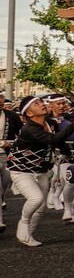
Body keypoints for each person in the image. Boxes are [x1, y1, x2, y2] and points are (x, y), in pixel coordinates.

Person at [7, 96, 74, 246]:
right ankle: (23, 223)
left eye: (41, 102)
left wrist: (68, 155)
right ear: (29, 114)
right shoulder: (29, 129)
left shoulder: (51, 123)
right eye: (36, 104)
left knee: (41, 207)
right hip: (21, 170)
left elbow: (59, 141)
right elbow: (52, 140)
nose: (42, 104)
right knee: (36, 199)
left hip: (41, 170)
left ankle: (28, 234)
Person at [0, 91, 22, 233]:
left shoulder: (12, 116)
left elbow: (22, 136)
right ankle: (0, 220)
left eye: (0, 97)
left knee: (4, 186)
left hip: (7, 156)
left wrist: (12, 143)